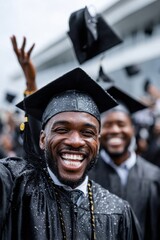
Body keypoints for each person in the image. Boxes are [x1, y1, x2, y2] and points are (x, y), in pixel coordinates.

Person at [0, 68, 142, 239]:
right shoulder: (16, 188)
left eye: (87, 133)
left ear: (98, 141)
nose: (75, 141)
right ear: (43, 139)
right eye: (62, 129)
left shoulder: (118, 212)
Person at [89, 86, 160, 240]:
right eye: (107, 125)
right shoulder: (87, 174)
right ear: (99, 132)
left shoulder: (154, 176)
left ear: (133, 129)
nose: (115, 130)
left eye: (121, 124)